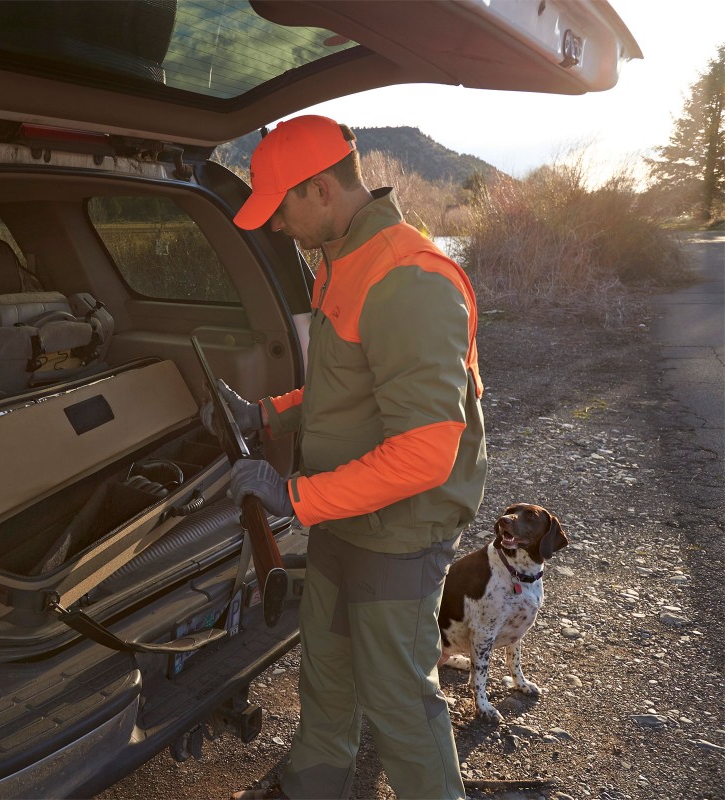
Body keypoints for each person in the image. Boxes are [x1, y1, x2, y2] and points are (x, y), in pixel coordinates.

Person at [206, 115, 486, 800]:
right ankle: (315, 785)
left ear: (322, 190)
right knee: (326, 671)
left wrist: (293, 497)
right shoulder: (342, 261)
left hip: (397, 527)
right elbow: (346, 384)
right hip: (343, 509)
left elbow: (424, 455)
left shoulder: (408, 279)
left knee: (397, 701)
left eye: (281, 209)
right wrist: (268, 413)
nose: (276, 227)